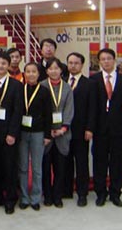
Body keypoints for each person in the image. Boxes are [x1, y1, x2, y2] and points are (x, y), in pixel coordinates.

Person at [89, 48, 122, 208]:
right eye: (103, 59)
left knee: (117, 161)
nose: (106, 61)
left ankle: (115, 193)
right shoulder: (93, 80)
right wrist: (90, 127)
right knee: (99, 161)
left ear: (114, 60)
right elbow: (91, 106)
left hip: (117, 126)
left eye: (109, 58)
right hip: (99, 127)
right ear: (99, 62)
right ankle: (101, 193)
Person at [0, 51, 23, 214]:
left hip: (8, 133)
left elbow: (18, 111)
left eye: (3, 63)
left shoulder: (16, 85)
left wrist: (12, 133)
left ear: (8, 65)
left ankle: (10, 199)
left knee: (10, 167)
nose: (0, 66)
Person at [17, 63, 52, 211]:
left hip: (38, 133)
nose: (31, 74)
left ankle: (36, 198)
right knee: (23, 166)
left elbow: (48, 114)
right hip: (22, 132)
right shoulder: (20, 90)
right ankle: (24, 197)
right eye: (28, 71)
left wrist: (47, 135)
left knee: (37, 168)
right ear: (24, 73)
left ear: (39, 74)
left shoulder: (44, 91)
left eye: (34, 72)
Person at [41, 57, 74, 208]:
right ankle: (47, 195)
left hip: (62, 133)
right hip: (46, 135)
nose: (54, 71)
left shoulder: (67, 88)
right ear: (47, 71)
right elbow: (40, 111)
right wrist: (48, 130)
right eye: (50, 68)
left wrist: (63, 128)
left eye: (56, 68)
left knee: (60, 168)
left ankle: (57, 196)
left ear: (61, 70)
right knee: (45, 167)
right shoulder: (42, 86)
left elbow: (69, 109)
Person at [64, 52, 94, 207]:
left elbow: (93, 109)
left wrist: (90, 128)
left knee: (81, 162)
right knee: (66, 161)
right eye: (70, 62)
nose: (73, 65)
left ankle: (82, 193)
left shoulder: (89, 84)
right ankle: (66, 190)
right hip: (64, 130)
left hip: (81, 130)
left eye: (76, 63)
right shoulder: (62, 81)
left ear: (82, 65)